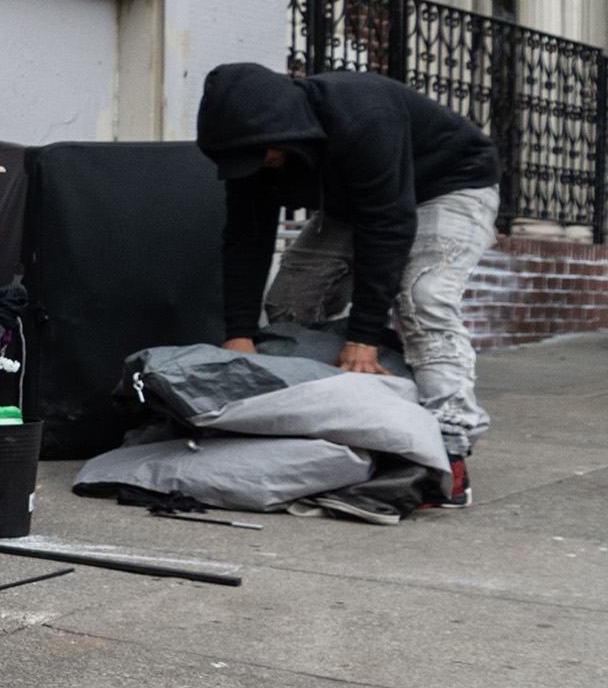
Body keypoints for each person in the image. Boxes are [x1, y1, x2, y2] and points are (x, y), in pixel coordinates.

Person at [195, 61, 499, 505]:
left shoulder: (364, 115)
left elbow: (389, 225)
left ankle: (449, 446)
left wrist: (364, 336)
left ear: (285, 130)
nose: (257, 167)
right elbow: (245, 238)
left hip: (448, 184)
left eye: (263, 156)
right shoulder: (252, 151)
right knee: (289, 304)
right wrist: (238, 333)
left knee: (423, 298)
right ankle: (335, 423)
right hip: (355, 197)